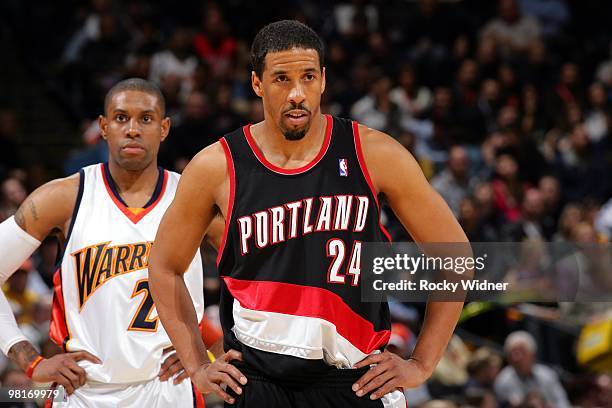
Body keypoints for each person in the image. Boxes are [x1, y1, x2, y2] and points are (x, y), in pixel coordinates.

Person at [149, 20, 467, 407]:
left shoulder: (375, 153)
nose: (297, 93)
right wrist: (198, 363)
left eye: (308, 77)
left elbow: (454, 254)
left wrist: (421, 362)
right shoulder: (217, 166)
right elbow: (164, 266)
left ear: (323, 81)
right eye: (281, 79)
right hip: (257, 381)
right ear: (257, 84)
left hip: (355, 382)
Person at [0, 78, 217, 407]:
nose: (132, 129)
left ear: (165, 128)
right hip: (83, 391)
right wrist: (31, 360)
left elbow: (256, 269)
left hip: (168, 389)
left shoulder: (192, 197)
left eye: (146, 118)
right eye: (120, 118)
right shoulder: (64, 198)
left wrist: (213, 346)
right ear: (103, 127)